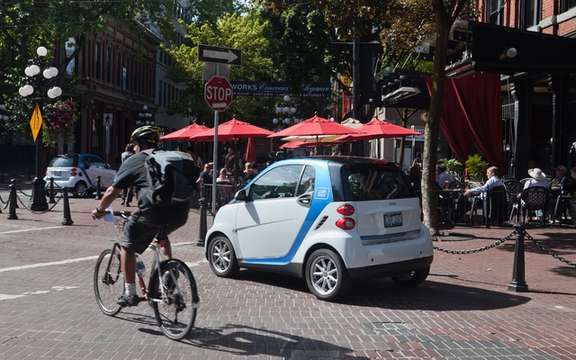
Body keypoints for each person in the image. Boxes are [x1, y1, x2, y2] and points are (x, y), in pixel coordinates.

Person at [92, 126, 190, 307]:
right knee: (162, 234)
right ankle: (168, 273)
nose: (134, 148)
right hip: (180, 211)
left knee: (127, 245)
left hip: (153, 211)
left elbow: (113, 190)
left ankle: (129, 293)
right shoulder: (169, 157)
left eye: (134, 144)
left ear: (139, 144)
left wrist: (99, 210)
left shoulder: (136, 160)